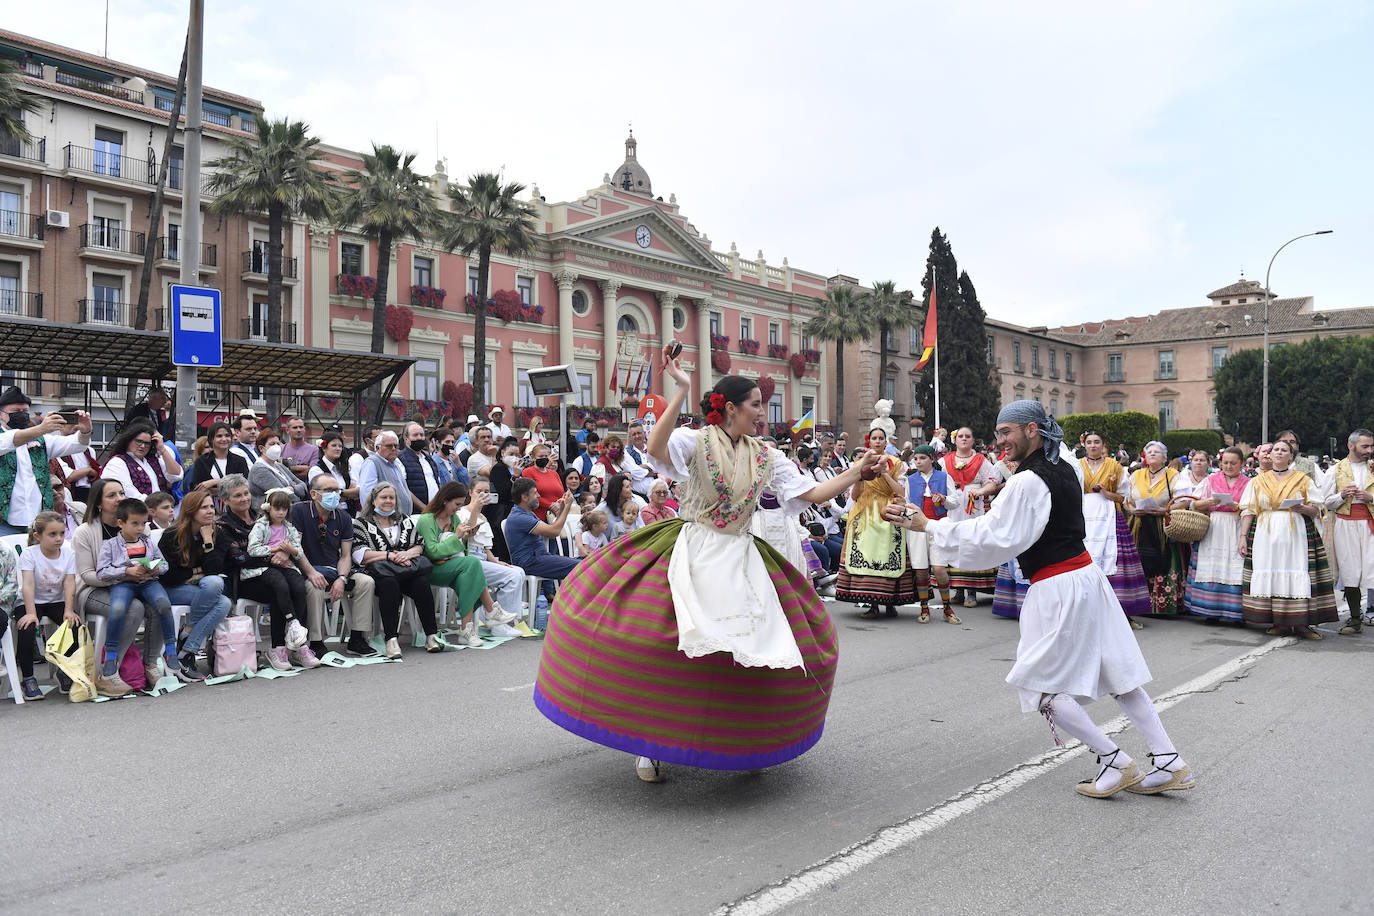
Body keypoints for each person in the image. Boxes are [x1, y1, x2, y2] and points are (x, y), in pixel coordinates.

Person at [535, 352, 882, 783]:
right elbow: (657, 448)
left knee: (755, 651)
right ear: (732, 409)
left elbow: (811, 492)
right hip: (691, 548)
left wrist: (855, 472)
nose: (762, 411)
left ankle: (744, 745)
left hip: (741, 554)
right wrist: (680, 388)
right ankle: (648, 746)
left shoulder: (767, 455)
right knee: (662, 646)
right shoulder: (694, 440)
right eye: (755, 404)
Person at [889, 400, 1194, 797]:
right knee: (1119, 672)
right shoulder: (1064, 464)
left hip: (1058, 587)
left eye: (1006, 433)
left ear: (1032, 429)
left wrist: (927, 525)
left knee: (1039, 685)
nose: (1000, 442)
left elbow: (994, 536)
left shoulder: (1028, 480)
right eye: (998, 434)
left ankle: (1114, 761)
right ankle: (1168, 760)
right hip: (1085, 578)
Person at [1239, 439, 1338, 638]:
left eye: (1284, 450)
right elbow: (1248, 510)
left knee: (1298, 571)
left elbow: (1317, 509)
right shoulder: (1257, 481)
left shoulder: (1302, 479)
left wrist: (1302, 508)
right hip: (1265, 534)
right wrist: (1242, 537)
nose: (1279, 453)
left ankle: (1302, 624)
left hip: (1295, 532)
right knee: (1272, 573)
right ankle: (1279, 622)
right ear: (1270, 455)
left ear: (1290, 456)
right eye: (1276, 449)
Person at [210, 475, 308, 671]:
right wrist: (276, 553)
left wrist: (283, 551)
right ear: (226, 500)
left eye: (246, 493)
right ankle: (277, 648)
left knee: (297, 584)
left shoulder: (262, 515)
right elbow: (239, 558)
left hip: (273, 572)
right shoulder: (223, 526)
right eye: (237, 495)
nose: (245, 498)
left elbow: (289, 539)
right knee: (278, 589)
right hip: (244, 578)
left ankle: (299, 646)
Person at [95, 497, 191, 690]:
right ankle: (112, 657)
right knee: (118, 608)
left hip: (148, 582)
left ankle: (170, 651)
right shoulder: (110, 545)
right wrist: (126, 571)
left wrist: (155, 569)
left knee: (163, 604)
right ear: (121, 523)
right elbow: (102, 572)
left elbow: (164, 564)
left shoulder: (147, 542)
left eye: (143, 523)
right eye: (135, 523)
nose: (140, 528)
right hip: (124, 583)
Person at [416, 481, 516, 647]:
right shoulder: (427, 520)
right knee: (472, 563)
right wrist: (457, 536)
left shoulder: (453, 518)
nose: (458, 508)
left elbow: (459, 549)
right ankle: (491, 610)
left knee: (468, 574)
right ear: (444, 501)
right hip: (431, 568)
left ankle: (466, 630)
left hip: (452, 565)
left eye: (461, 504)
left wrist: (466, 536)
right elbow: (432, 552)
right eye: (456, 504)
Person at [292, 474, 376, 661]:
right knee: (314, 586)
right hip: (308, 569)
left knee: (366, 582)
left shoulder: (343, 516)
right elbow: (295, 550)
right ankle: (316, 642)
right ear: (314, 494)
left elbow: (345, 555)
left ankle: (357, 638)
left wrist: (342, 578)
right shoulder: (298, 511)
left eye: (337, 490)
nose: (335, 495)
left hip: (334, 570)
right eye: (329, 490)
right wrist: (311, 572)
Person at [352, 482, 442, 657]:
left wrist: (406, 554)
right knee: (389, 584)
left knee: (421, 583)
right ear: (373, 500)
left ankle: (431, 635)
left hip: (407, 571)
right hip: (380, 574)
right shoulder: (361, 523)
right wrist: (389, 556)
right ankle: (391, 639)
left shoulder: (404, 519)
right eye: (383, 497)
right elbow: (360, 555)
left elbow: (419, 545)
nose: (388, 501)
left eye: (391, 498)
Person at [835, 421, 915, 618]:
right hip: (863, 513)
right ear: (868, 441)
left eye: (881, 438)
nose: (877, 441)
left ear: (886, 441)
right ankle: (872, 604)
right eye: (874, 438)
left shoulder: (895, 463)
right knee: (866, 555)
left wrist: (885, 474)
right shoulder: (859, 464)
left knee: (888, 556)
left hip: (886, 512)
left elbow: (902, 491)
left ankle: (891, 603)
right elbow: (854, 496)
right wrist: (861, 475)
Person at [1080, 432, 1152, 627]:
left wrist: (1105, 493)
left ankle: (1121, 614)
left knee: (1118, 563)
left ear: (1103, 445)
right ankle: (1086, 614)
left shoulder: (1115, 466)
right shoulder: (1077, 466)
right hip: (1085, 516)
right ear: (1084, 445)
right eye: (1089, 442)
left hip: (1109, 516)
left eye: (1097, 442)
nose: (1093, 446)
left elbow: (1123, 497)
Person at [158, 489, 230, 680]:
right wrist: (197, 571)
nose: (210, 511)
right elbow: (170, 575)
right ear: (190, 511)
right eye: (204, 507)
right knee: (215, 588)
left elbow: (215, 569)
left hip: (199, 587)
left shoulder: (217, 533)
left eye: (211, 507)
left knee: (223, 600)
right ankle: (187, 643)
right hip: (171, 589)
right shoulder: (172, 535)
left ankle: (186, 649)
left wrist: (207, 542)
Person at [1, 389, 95, 535]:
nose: (21, 413)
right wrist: (42, 428)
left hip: (38, 522)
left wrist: (85, 431)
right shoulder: (6, 437)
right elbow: (10, 440)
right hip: (4, 521)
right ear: (1, 414)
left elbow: (76, 444)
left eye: (25, 410)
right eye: (15, 411)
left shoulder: (41, 440)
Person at [245, 489, 318, 669]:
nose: (280, 512)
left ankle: (298, 644)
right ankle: (292, 624)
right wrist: (277, 549)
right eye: (277, 508)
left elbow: (298, 550)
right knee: (280, 586)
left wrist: (290, 551)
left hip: (286, 565)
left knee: (299, 586)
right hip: (264, 567)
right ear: (268, 508)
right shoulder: (261, 526)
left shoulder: (289, 527)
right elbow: (253, 549)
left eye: (284, 509)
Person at [13, 511, 79, 699]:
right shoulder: (29, 554)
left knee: (74, 625)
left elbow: (69, 583)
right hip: (30, 601)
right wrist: (31, 613)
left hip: (56, 601)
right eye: (52, 534)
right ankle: (28, 678)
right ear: (37, 536)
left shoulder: (68, 553)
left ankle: (64, 670)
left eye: (61, 533)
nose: (59, 539)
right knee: (26, 628)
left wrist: (68, 610)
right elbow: (27, 585)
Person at [455, 479, 529, 636]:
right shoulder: (461, 513)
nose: (483, 495)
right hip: (469, 559)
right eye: (479, 491)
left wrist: (495, 561)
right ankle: (498, 625)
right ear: (470, 493)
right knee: (512, 576)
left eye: (487, 492)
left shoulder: (483, 517)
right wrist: (475, 509)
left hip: (482, 557)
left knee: (518, 571)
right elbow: (466, 535)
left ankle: (486, 613)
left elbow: (485, 547)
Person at [1184, 446, 1249, 625]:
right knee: (1212, 566)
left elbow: (1252, 508)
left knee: (1235, 566)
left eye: (1233, 463)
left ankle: (1237, 613)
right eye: (1225, 463)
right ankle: (1210, 610)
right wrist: (1208, 502)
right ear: (1220, 463)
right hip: (1214, 526)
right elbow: (1193, 505)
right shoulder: (1210, 480)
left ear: (1242, 464)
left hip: (1236, 525)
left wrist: (1239, 507)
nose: (1228, 466)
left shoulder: (1248, 483)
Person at [941, 427, 1004, 608]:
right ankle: (958, 590)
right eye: (960, 436)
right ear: (955, 440)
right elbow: (939, 480)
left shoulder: (980, 460)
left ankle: (972, 591)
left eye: (968, 436)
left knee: (972, 542)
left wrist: (980, 492)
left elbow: (993, 481)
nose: (964, 439)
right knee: (955, 543)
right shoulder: (946, 461)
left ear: (972, 440)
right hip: (953, 508)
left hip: (973, 507)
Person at [1322, 428, 1374, 634]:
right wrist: (1342, 495)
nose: (1369, 450)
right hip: (1346, 524)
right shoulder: (1335, 470)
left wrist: (1370, 498)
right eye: (1365, 446)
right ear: (1351, 446)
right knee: (1350, 570)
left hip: (1370, 524)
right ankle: (1354, 619)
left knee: (1373, 567)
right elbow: (1326, 502)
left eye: (1371, 446)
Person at [1126, 441, 1185, 616]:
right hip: (1139, 523)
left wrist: (1165, 510)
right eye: (1149, 451)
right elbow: (1126, 500)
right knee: (1139, 561)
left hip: (1162, 525)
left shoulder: (1173, 475)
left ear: (1165, 457)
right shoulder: (1136, 475)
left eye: (1157, 452)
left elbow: (1184, 500)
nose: (1152, 454)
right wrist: (1132, 510)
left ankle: (1164, 606)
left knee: (1164, 560)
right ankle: (1140, 604)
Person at [905, 445, 959, 623]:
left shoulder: (944, 477)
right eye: (916, 459)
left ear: (932, 459)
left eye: (922, 458)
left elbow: (955, 501)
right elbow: (907, 503)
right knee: (920, 570)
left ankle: (947, 607)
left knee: (939, 569)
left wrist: (943, 500)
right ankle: (924, 608)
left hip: (938, 526)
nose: (918, 462)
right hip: (917, 527)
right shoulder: (910, 480)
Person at [508, 478, 580, 583]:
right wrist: (567, 508)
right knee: (581, 567)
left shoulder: (526, 513)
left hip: (538, 558)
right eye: (535, 493)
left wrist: (563, 508)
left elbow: (552, 532)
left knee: (582, 564)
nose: (539, 496)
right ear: (524, 497)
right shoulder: (520, 517)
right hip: (530, 562)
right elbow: (554, 532)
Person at [185, 421, 251, 497]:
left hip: (235, 506)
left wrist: (214, 482)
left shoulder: (240, 461)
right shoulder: (201, 461)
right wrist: (228, 488)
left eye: (227, 435)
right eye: (219, 436)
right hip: (208, 505)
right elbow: (198, 488)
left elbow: (243, 486)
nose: (224, 439)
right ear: (211, 439)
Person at [49, 416, 102, 506]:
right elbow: (69, 476)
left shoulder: (89, 450)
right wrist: (88, 470)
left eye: (78, 424)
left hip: (90, 490)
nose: (76, 427)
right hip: (73, 491)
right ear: (62, 426)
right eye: (72, 423)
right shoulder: (58, 449)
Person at [247, 431, 308, 505]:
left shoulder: (278, 465)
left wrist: (292, 488)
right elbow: (284, 495)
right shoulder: (260, 469)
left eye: (278, 444)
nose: (276, 447)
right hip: (270, 512)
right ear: (261, 448)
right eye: (272, 444)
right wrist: (295, 489)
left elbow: (303, 485)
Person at [308, 431, 361, 511]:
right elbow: (322, 497)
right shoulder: (316, 469)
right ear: (324, 448)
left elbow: (357, 491)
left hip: (348, 511)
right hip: (327, 512)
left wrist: (339, 492)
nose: (338, 449)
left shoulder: (343, 467)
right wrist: (347, 493)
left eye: (340, 446)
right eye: (334, 445)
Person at [399, 421, 442, 509]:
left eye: (421, 435)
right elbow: (403, 489)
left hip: (434, 510)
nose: (419, 438)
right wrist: (424, 508)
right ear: (406, 439)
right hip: (415, 513)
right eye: (415, 435)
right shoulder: (400, 459)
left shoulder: (429, 459)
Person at [522, 442, 565, 518]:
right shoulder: (528, 472)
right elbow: (532, 494)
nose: (544, 458)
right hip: (538, 516)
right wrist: (550, 505)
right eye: (541, 456)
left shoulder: (554, 473)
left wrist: (559, 504)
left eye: (546, 456)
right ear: (534, 458)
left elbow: (562, 493)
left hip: (557, 514)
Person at [281, 417, 319, 481]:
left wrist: (288, 468)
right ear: (287, 430)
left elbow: (311, 471)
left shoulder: (314, 450)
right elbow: (278, 471)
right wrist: (304, 467)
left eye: (301, 427)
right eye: (295, 427)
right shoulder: (281, 449)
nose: (299, 430)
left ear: (304, 429)